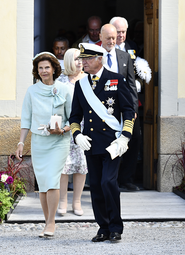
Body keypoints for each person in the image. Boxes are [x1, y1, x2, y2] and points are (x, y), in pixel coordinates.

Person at [69, 43, 135, 243]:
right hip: (91, 143)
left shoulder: (116, 79)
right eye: (82, 59)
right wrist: (77, 134)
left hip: (113, 143)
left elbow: (129, 111)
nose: (83, 63)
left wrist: (125, 136)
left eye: (87, 59)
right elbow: (74, 115)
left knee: (108, 182)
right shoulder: (81, 85)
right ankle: (103, 228)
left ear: (100, 59)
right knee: (96, 186)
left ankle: (116, 227)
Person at [16, 52, 73, 238]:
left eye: (47, 67)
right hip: (39, 142)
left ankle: (51, 223)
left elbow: (73, 119)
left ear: (54, 68)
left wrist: (63, 130)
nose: (43, 71)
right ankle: (47, 221)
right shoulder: (31, 91)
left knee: (52, 179)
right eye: (40, 68)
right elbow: (26, 118)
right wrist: (21, 142)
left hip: (59, 142)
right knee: (42, 184)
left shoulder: (65, 89)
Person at [100, 24, 141, 192]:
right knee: (106, 141)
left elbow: (131, 85)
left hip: (124, 107)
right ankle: (108, 181)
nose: (112, 40)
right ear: (101, 38)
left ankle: (126, 178)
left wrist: (133, 110)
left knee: (133, 138)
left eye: (114, 37)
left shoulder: (124, 57)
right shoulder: (94, 55)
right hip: (102, 107)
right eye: (108, 38)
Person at [56, 48, 88, 216]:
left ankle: (77, 202)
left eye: (82, 59)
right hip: (65, 129)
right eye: (76, 59)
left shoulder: (88, 79)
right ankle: (62, 201)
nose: (80, 62)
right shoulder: (60, 81)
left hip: (83, 130)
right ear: (68, 61)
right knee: (64, 167)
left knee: (81, 166)